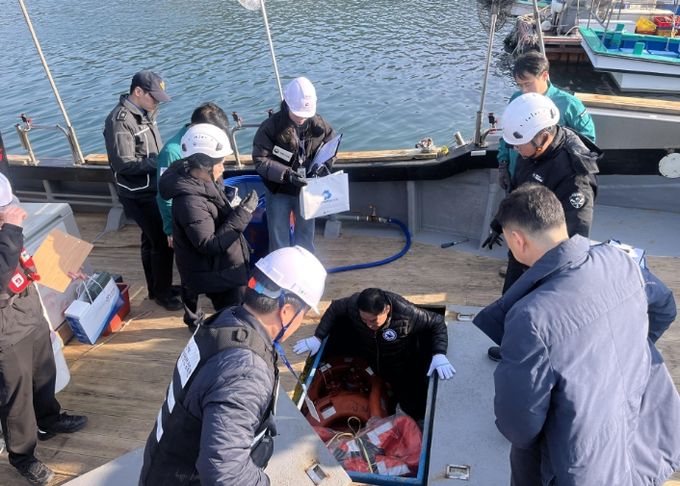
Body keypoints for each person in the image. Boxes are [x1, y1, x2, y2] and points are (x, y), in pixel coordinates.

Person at [474, 183, 680, 486]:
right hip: (650, 436)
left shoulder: (530, 317)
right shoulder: (621, 260)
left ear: (517, 239)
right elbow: (664, 308)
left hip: (584, 466)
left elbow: (520, 424)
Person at [139, 246, 327, 485]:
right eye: (303, 315)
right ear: (287, 311)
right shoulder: (246, 371)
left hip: (166, 462)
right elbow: (225, 472)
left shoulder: (227, 319)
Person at [0, 174, 87, 486]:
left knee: (43, 374)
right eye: (5, 210)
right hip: (6, 333)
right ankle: (23, 456)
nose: (15, 213)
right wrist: (11, 229)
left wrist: (58, 267)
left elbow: (19, 263)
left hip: (30, 315)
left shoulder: (7, 232)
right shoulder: (8, 232)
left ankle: (49, 419)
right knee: (16, 397)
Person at [484, 92, 601, 294]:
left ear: (543, 137)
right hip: (522, 249)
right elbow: (520, 194)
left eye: (519, 144)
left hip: (547, 264)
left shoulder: (575, 177)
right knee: (510, 297)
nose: (515, 149)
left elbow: (576, 239)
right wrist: (499, 223)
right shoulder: (530, 152)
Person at [293, 288, 455, 420]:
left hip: (403, 365)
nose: (369, 325)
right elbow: (334, 309)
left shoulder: (407, 313)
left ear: (387, 310)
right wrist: (318, 337)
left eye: (373, 321)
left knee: (410, 400)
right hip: (372, 359)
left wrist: (439, 353)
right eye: (364, 320)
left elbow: (437, 322)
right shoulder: (353, 304)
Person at [158, 123, 259, 327]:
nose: (223, 167)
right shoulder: (189, 203)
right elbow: (209, 244)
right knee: (232, 317)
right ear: (205, 165)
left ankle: (195, 321)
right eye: (220, 162)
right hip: (215, 271)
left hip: (211, 266)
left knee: (194, 290)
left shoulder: (201, 179)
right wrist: (244, 212)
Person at [103, 70, 182, 311]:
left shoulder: (145, 114)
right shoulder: (119, 121)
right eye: (154, 97)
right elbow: (123, 164)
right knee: (161, 242)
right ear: (138, 91)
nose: (157, 102)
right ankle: (163, 293)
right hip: (138, 194)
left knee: (150, 241)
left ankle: (156, 288)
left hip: (152, 188)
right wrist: (160, 163)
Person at [156, 102, 231, 326]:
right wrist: (169, 229)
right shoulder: (172, 151)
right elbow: (164, 195)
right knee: (189, 268)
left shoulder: (208, 148)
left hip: (206, 212)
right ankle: (192, 316)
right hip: (185, 219)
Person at [252, 76, 336, 253]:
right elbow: (260, 160)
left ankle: (305, 262)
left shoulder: (319, 124)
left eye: (306, 114)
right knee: (278, 237)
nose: (301, 118)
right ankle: (280, 264)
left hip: (307, 189)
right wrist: (286, 174)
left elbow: (331, 144)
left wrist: (325, 166)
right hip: (279, 190)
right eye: (298, 113)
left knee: (306, 234)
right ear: (288, 105)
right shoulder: (270, 127)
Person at [497, 51, 596, 191]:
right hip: (517, 173)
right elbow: (508, 133)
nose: (524, 91)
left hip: (550, 180)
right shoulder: (517, 99)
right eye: (520, 85)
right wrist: (503, 164)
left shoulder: (570, 104)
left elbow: (587, 141)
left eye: (528, 84)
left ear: (544, 76)